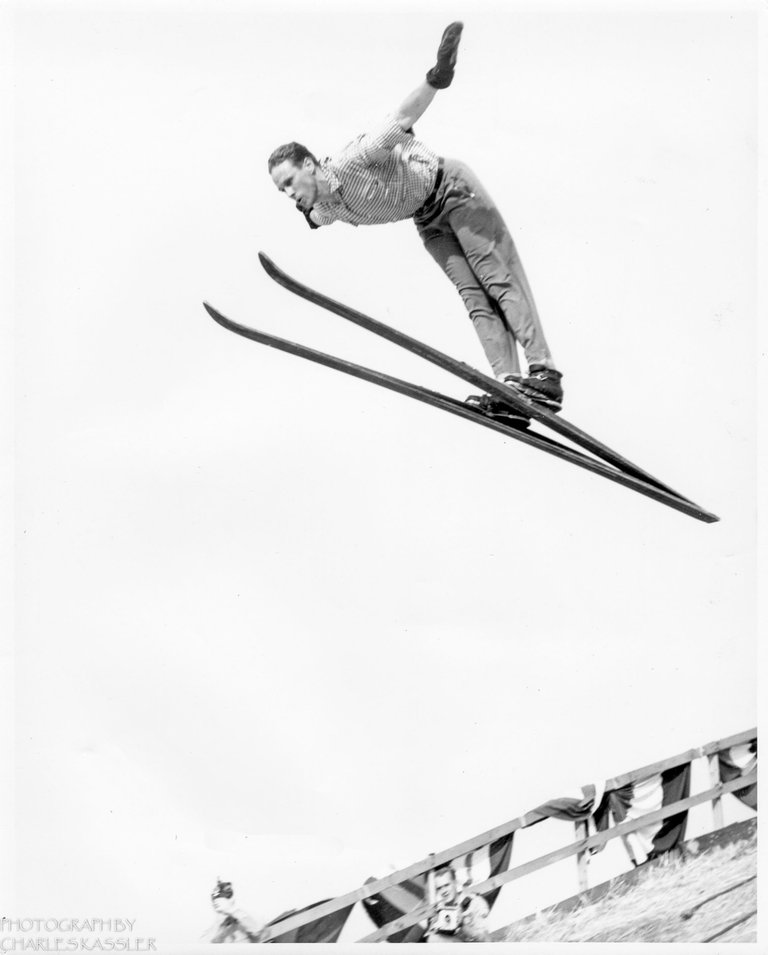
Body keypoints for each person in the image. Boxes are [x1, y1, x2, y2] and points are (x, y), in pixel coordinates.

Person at [268, 22, 564, 413]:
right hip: (427, 219)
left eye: (290, 182)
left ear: (309, 164)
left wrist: (437, 77)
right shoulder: (321, 210)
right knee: (473, 296)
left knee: (495, 276)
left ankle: (544, 373)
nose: (289, 194)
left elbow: (402, 116)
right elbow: (316, 220)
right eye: (282, 191)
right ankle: (511, 389)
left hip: (451, 189)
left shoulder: (354, 159)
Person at [424, 865, 491, 943]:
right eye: (439, 888)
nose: (444, 891)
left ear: (455, 882)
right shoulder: (440, 911)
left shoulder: (473, 902)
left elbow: (485, 939)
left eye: (446, 885)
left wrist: (462, 925)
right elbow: (431, 941)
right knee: (433, 939)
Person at [201, 880, 266, 943]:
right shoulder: (217, 925)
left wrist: (232, 910)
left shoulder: (246, 914)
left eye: (220, 900)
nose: (216, 904)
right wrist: (219, 923)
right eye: (215, 901)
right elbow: (204, 945)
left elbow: (258, 931)